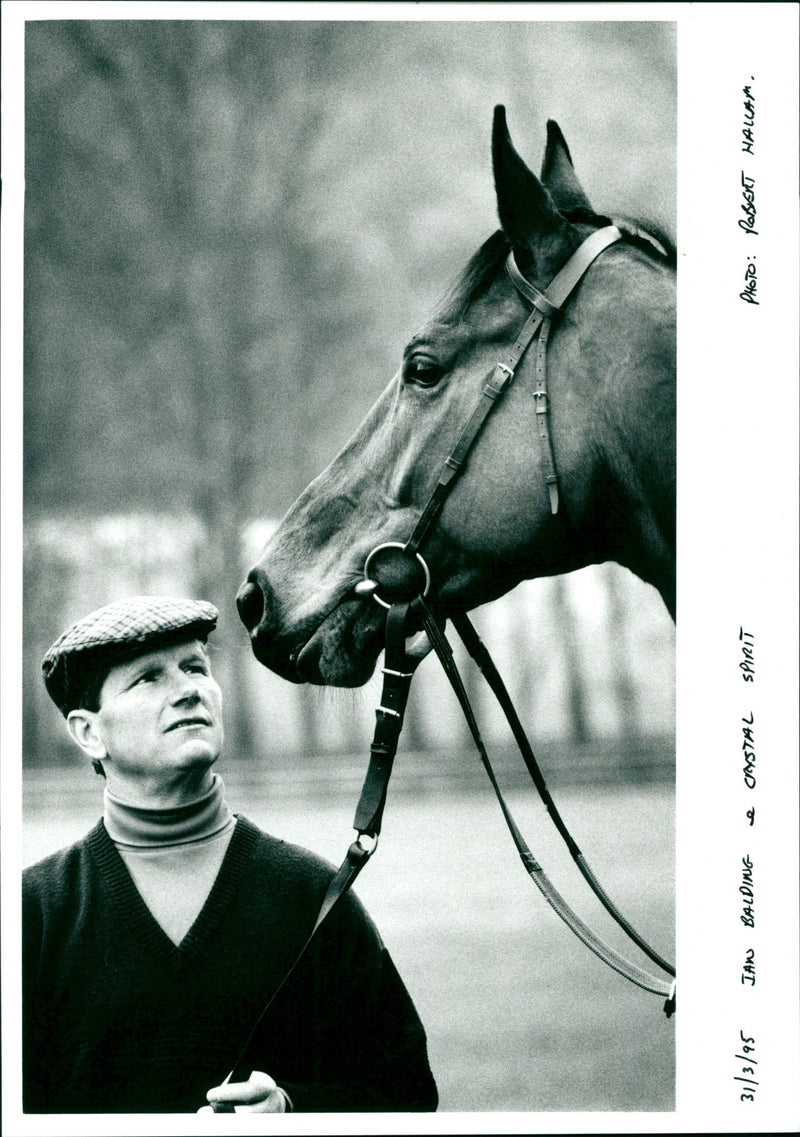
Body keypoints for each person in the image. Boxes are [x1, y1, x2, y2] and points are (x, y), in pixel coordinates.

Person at [24, 595, 438, 1114]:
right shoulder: (32, 912)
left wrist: (291, 1109)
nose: (188, 690)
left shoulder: (311, 892)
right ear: (89, 733)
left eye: (196, 667)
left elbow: (405, 1092)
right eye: (149, 678)